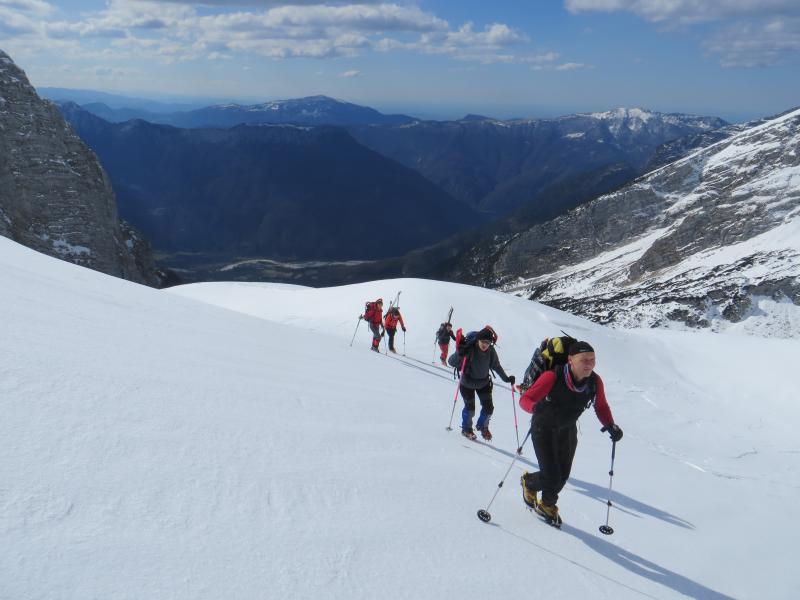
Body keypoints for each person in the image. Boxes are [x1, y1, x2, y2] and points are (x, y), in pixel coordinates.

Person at [519, 340, 623, 526]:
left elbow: (601, 406)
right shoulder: (552, 377)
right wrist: (535, 408)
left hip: (567, 429)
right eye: (584, 360)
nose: (589, 364)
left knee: (562, 475)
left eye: (592, 360)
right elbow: (525, 399)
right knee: (551, 476)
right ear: (570, 360)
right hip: (543, 427)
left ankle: (547, 504)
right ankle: (529, 483)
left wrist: (610, 425)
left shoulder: (594, 382)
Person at [448, 326, 515, 442]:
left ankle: (482, 426)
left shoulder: (490, 351)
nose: (485, 344)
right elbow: (451, 362)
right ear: (478, 340)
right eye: (483, 341)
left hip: (483, 383)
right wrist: (459, 352)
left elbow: (496, 366)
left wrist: (506, 379)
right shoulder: (468, 348)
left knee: (489, 409)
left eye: (488, 342)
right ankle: (466, 429)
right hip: (467, 383)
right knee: (470, 409)